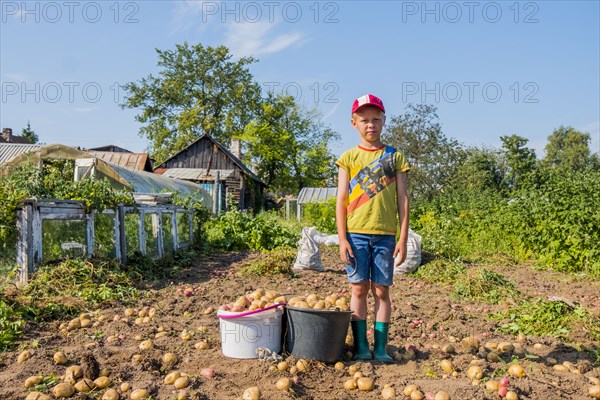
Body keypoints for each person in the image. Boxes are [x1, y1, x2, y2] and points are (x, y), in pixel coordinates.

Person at [335, 94, 410, 362]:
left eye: (376, 119)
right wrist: (342, 239)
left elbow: (402, 199)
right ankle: (362, 346)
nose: (371, 125)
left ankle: (380, 347)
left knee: (381, 290)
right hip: (355, 234)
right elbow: (341, 200)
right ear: (354, 123)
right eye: (364, 120)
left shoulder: (394, 157)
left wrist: (402, 238)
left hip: (385, 235)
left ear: (384, 121)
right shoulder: (348, 158)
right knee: (358, 289)